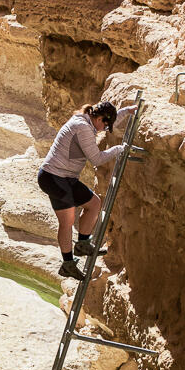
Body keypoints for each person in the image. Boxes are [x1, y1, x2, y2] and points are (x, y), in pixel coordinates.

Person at [37, 97, 136, 279]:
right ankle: (67, 263)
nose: (105, 130)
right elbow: (97, 159)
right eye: (105, 126)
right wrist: (119, 149)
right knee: (67, 221)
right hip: (54, 178)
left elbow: (109, 120)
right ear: (98, 119)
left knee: (94, 204)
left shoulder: (89, 119)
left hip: (66, 177)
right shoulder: (82, 127)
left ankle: (82, 244)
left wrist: (127, 111)